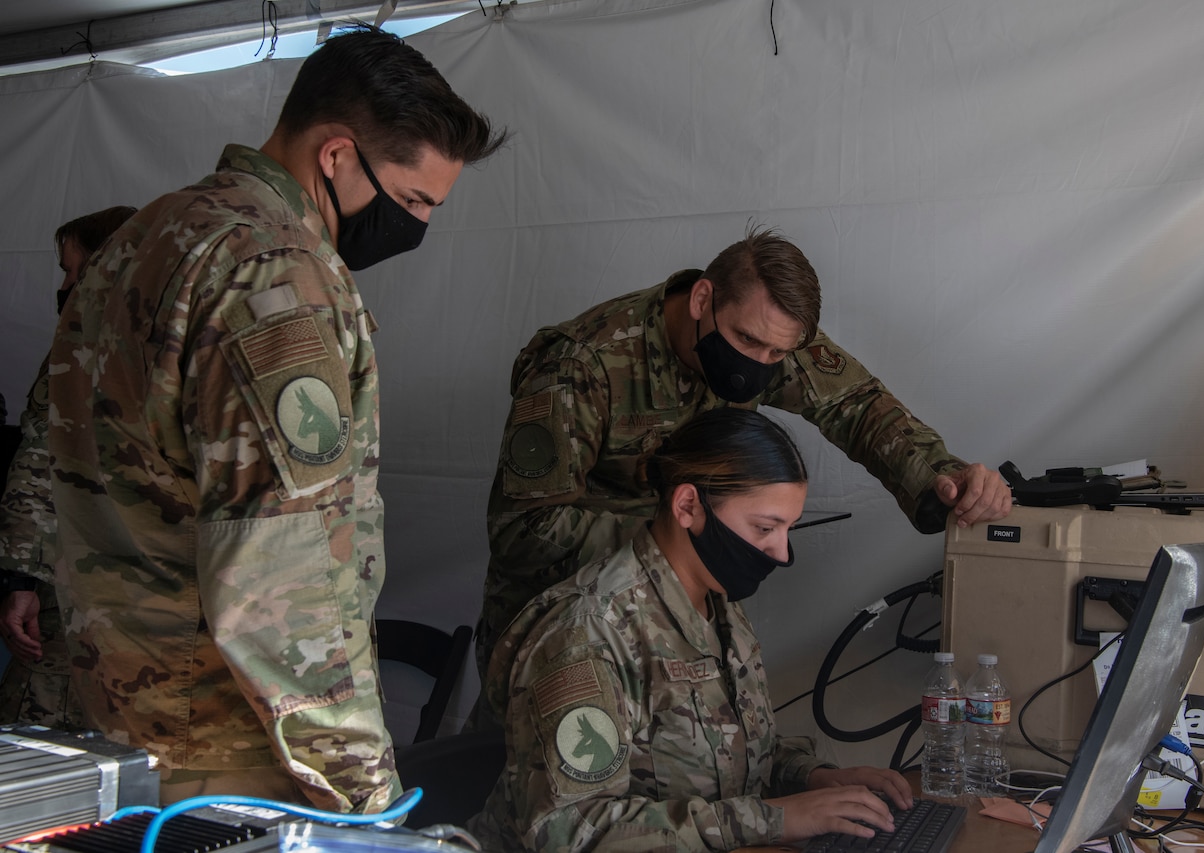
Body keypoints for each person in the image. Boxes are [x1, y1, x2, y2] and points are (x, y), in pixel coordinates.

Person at [46, 26, 506, 812]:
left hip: (113, 705)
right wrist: (367, 797)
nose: (419, 228)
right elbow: (282, 581)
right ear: (335, 154)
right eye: (412, 201)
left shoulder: (146, 235)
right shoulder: (272, 275)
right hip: (223, 750)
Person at [477, 225, 1011, 683]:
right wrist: (678, 534)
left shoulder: (772, 336)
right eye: (747, 341)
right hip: (560, 628)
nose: (759, 364)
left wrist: (941, 477)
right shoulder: (582, 365)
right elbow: (523, 529)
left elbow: (856, 405)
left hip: (679, 620)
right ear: (703, 300)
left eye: (778, 353)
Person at [470, 408, 914, 852]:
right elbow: (568, 830)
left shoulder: (716, 605)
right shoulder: (589, 632)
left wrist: (817, 779)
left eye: (788, 528)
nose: (780, 553)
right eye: (765, 528)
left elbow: (734, 753)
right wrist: (774, 819)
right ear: (687, 506)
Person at [0, 204, 137, 728]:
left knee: (39, 735)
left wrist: (19, 580)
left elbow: (40, 467)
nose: (66, 283)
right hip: (155, 611)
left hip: (78, 594)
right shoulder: (187, 342)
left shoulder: (83, 349)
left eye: (71, 269)